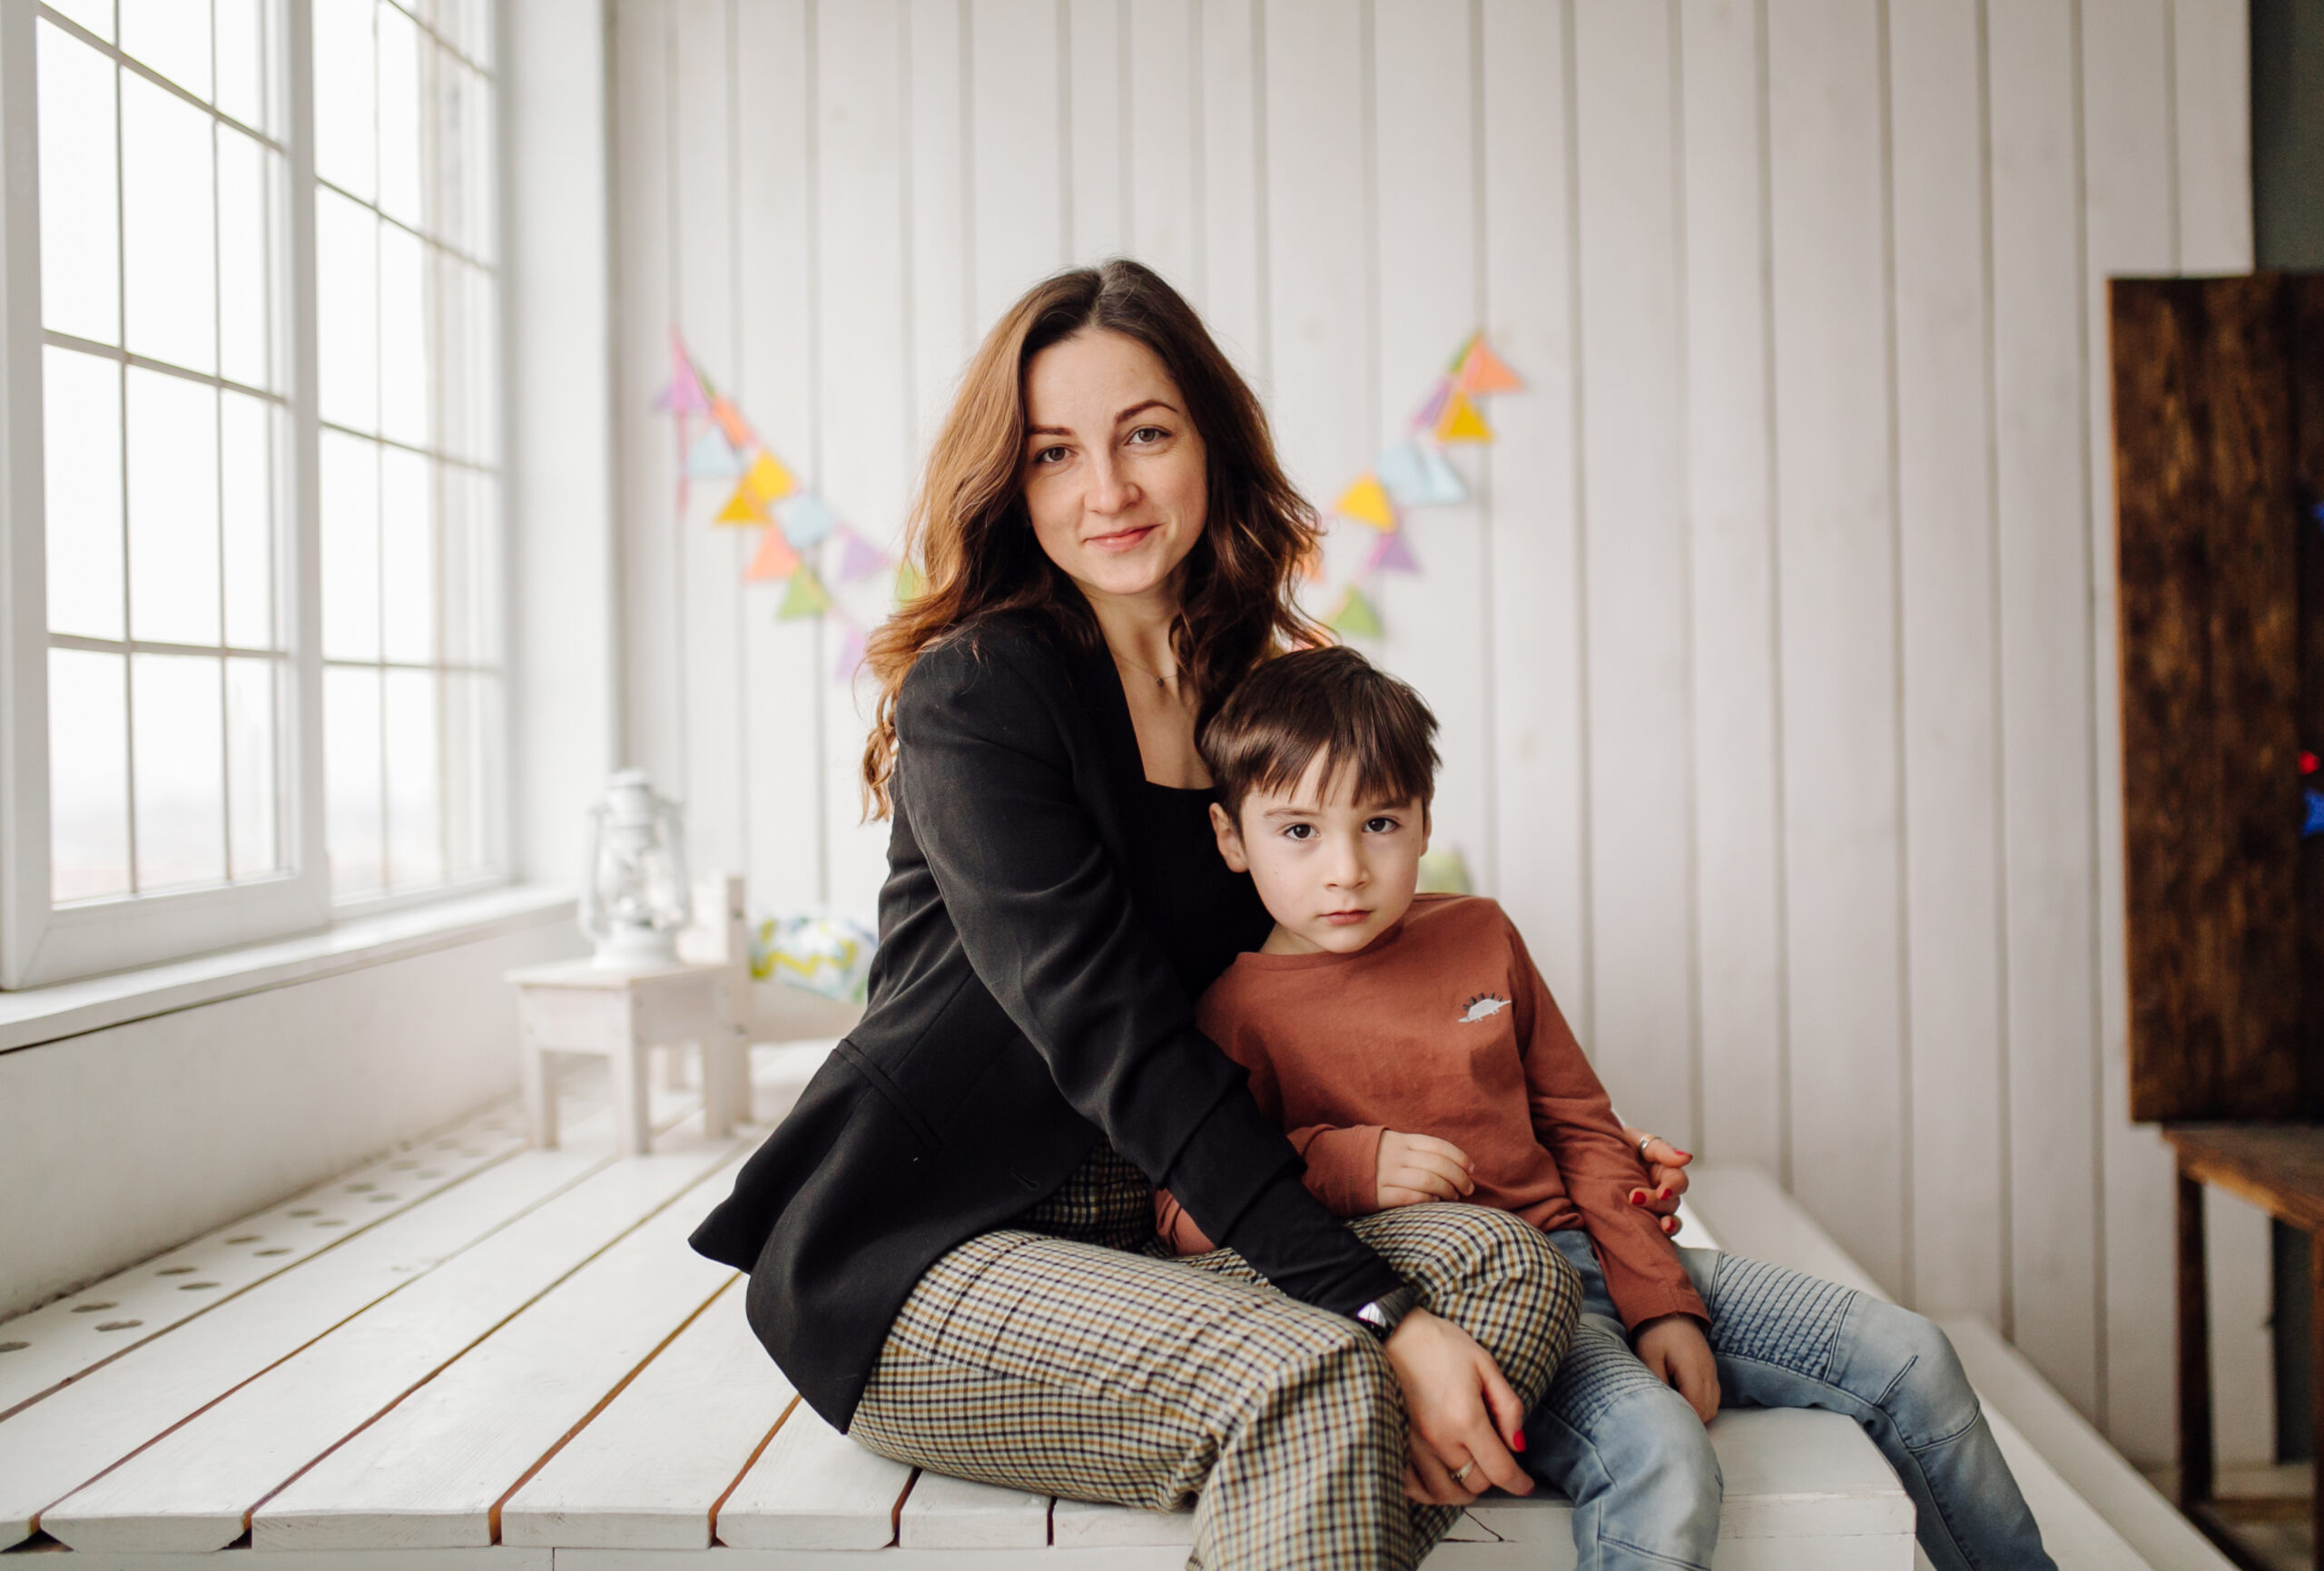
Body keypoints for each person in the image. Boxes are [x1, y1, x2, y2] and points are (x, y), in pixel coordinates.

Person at [690, 260, 1685, 1570]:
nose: (1106, 489)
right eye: (1054, 452)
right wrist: (1379, 1301)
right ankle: (1302, 1463)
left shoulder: (1246, 698)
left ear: (1208, 440)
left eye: (1144, 433)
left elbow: (1304, 988)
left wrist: (1567, 1147)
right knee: (1326, 1366)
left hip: (1155, 1218)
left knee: (1507, 1266)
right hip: (929, 1251)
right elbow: (1114, 1035)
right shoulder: (978, 692)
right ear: (1013, 481)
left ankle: (1291, 1517)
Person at [1153, 645, 2058, 1571]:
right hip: (1477, 1318)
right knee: (1659, 1457)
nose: (1344, 869)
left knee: (1913, 1356)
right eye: (1297, 831)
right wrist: (1353, 1162)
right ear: (1231, 838)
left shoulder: (1479, 934)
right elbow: (1188, 1212)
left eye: (1377, 821)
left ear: (1423, 821)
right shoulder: (1235, 1010)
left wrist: (1660, 1302)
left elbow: (1578, 1124)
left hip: (1600, 1258)